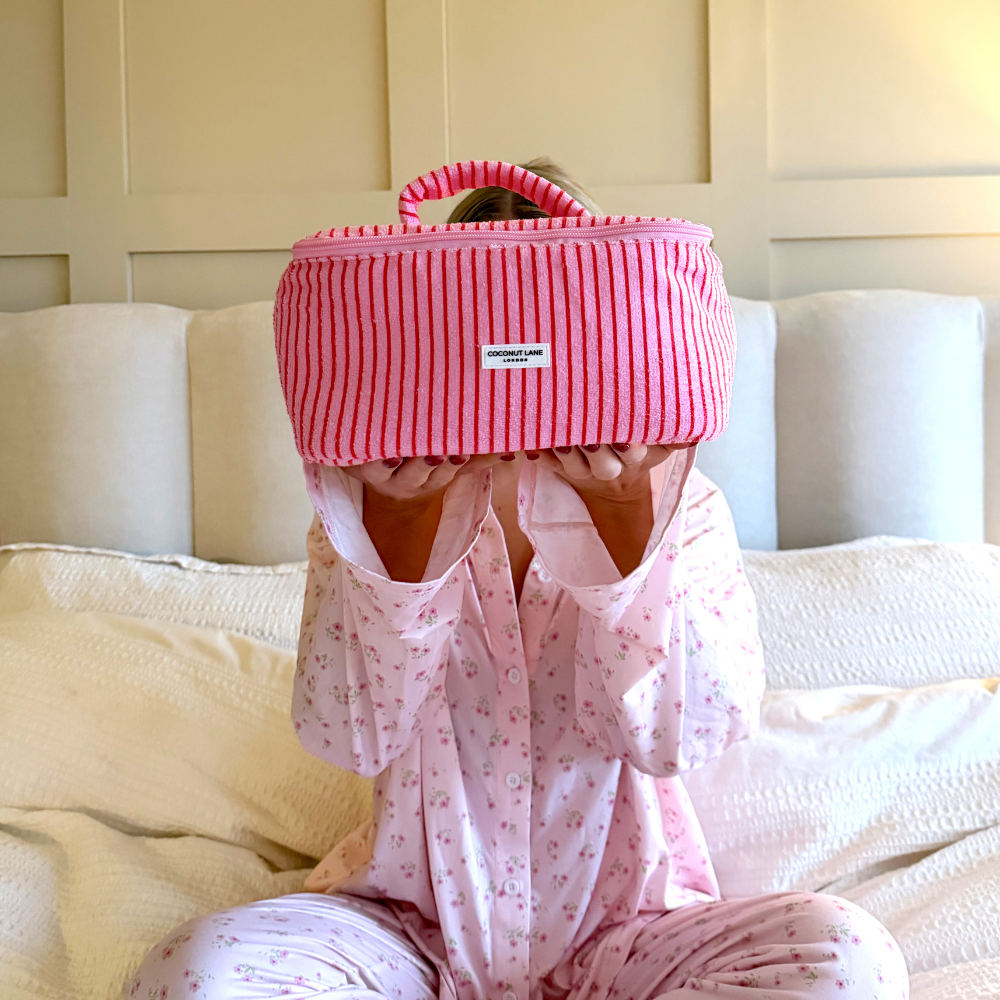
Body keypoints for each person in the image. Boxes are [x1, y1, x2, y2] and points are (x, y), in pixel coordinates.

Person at [127, 160, 908, 999]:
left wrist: (624, 517)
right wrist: (397, 530)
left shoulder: (685, 507)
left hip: (633, 932)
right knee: (199, 972)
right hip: (408, 930)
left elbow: (684, 737)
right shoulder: (359, 511)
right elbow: (350, 737)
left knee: (848, 958)